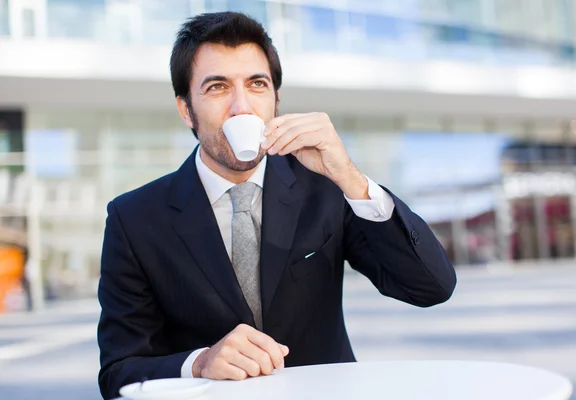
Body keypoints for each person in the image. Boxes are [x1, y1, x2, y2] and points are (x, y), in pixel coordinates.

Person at [97, 11, 457, 399]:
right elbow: (119, 373)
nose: (242, 107)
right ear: (186, 109)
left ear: (275, 100)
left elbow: (431, 287)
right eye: (217, 87)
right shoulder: (133, 219)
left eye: (257, 84)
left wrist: (349, 177)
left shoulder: (326, 188)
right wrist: (198, 363)